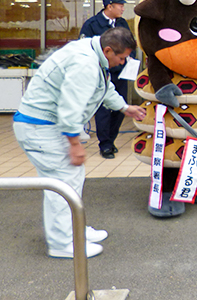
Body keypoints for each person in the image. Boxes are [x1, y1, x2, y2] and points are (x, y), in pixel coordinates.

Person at [13, 27, 146, 258]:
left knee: (71, 178)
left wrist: (125, 108)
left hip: (45, 125)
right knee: (62, 183)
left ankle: (73, 229)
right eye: (121, 57)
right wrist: (74, 143)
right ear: (107, 50)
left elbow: (104, 88)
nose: (122, 63)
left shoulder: (92, 53)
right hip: (40, 127)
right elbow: (70, 105)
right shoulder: (84, 63)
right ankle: (62, 243)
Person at [79, 0, 131, 159]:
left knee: (120, 107)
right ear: (110, 6)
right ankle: (105, 145)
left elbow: (131, 45)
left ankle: (111, 140)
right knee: (102, 108)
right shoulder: (92, 24)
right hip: (101, 73)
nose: (123, 8)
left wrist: (130, 61)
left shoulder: (122, 23)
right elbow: (84, 48)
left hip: (121, 72)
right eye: (120, 5)